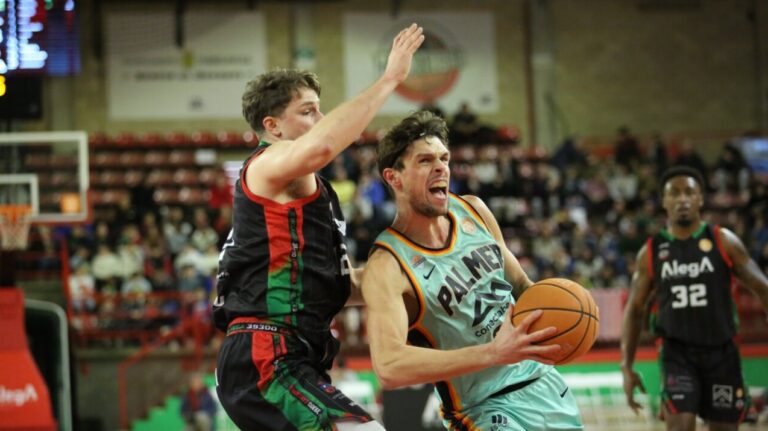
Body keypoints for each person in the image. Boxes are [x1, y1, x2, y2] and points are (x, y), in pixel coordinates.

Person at [212, 24, 424, 431]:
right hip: (265, 353)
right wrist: (390, 79)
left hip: (293, 353)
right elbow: (324, 145)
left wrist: (418, 284)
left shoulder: (310, 197)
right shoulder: (267, 166)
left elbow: (334, 285)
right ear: (273, 127)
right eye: (308, 111)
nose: (322, 119)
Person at [361, 110, 583, 430]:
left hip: (544, 384)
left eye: (444, 158)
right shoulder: (388, 265)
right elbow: (389, 366)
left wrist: (561, 313)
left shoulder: (474, 210)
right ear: (394, 178)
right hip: (484, 407)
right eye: (425, 161)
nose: (441, 167)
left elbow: (520, 283)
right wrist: (493, 353)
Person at [621, 166, 768, 431]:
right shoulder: (652, 251)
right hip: (677, 354)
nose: (682, 199)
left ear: (700, 198)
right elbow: (634, 309)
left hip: (722, 352)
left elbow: (763, 287)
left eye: (689, 192)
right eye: (674, 193)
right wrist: (626, 367)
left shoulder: (723, 241)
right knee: (680, 426)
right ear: (664, 202)